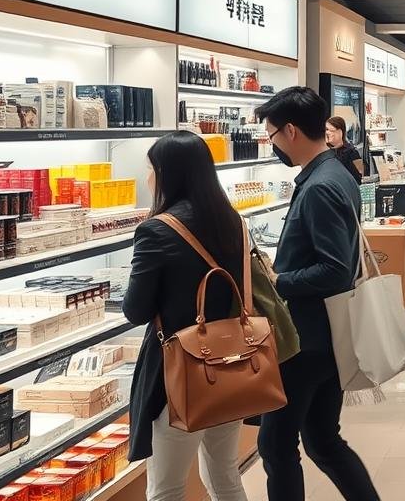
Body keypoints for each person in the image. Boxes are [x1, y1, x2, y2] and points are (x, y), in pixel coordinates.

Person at [254, 88, 380, 501]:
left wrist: (279, 280)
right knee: (324, 440)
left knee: (276, 444)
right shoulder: (333, 173)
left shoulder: (320, 185)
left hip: (306, 340)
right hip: (328, 332)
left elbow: (333, 270)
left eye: (272, 135)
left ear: (290, 131)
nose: (271, 144)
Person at [123, 132, 249, 501]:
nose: (147, 176)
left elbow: (136, 309)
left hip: (181, 372)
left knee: (166, 488)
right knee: (225, 475)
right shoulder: (233, 221)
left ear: (165, 173)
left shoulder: (156, 230)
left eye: (150, 168)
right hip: (232, 362)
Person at [325, 116, 364, 184]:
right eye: (326, 130)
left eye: (330, 130)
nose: (327, 133)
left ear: (340, 132)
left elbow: (360, 175)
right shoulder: (325, 152)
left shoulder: (352, 152)